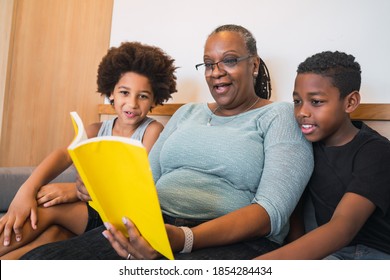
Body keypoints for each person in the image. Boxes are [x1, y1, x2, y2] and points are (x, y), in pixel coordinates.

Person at [20, 24, 313, 260]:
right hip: (153, 227)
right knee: (39, 261)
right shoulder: (188, 113)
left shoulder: (280, 116)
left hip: (228, 240)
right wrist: (95, 190)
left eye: (230, 60)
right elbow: (145, 181)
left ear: (254, 65)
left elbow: (270, 212)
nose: (217, 71)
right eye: (209, 64)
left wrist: (182, 239)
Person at [0, 41, 177, 259]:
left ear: (154, 99)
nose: (131, 103)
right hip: (87, 212)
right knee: (53, 234)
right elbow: (64, 154)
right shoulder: (96, 129)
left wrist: (73, 191)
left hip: (117, 216)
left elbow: (136, 183)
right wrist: (26, 190)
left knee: (48, 207)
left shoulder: (152, 131)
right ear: (111, 93)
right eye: (124, 92)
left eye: (142, 96)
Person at [256, 51, 390, 260]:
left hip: (373, 252)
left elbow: (343, 226)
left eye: (316, 102)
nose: (302, 112)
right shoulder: (304, 143)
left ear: (350, 102)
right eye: (297, 101)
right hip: (330, 250)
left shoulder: (376, 152)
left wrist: (264, 265)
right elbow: (295, 204)